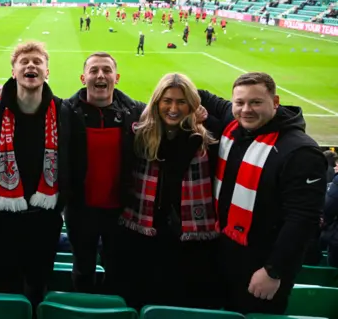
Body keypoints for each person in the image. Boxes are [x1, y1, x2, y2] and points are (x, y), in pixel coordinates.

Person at [199, 72, 326, 314]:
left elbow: (303, 219)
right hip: (221, 253)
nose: (247, 109)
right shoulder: (234, 120)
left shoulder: (300, 151)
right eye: (240, 102)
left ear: (275, 102)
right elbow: (202, 95)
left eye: (256, 102)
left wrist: (274, 270)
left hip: (260, 267)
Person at [0, 42, 71, 310]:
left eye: (37, 61)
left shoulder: (65, 113)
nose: (31, 66)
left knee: (37, 288)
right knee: (2, 289)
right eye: (24, 61)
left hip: (44, 221)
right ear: (13, 71)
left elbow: (75, 165)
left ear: (47, 71)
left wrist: (61, 204)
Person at [118, 73, 220, 310]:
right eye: (167, 100)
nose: (173, 108)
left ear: (192, 105)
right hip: (143, 234)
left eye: (181, 101)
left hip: (191, 239)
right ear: (157, 102)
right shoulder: (139, 134)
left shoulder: (209, 135)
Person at [65, 52, 145, 295]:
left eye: (107, 70)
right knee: (83, 268)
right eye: (94, 70)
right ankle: (81, 309)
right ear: (83, 77)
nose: (101, 75)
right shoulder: (65, 112)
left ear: (116, 77)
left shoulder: (137, 112)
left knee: (117, 269)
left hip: (121, 211)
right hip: (80, 209)